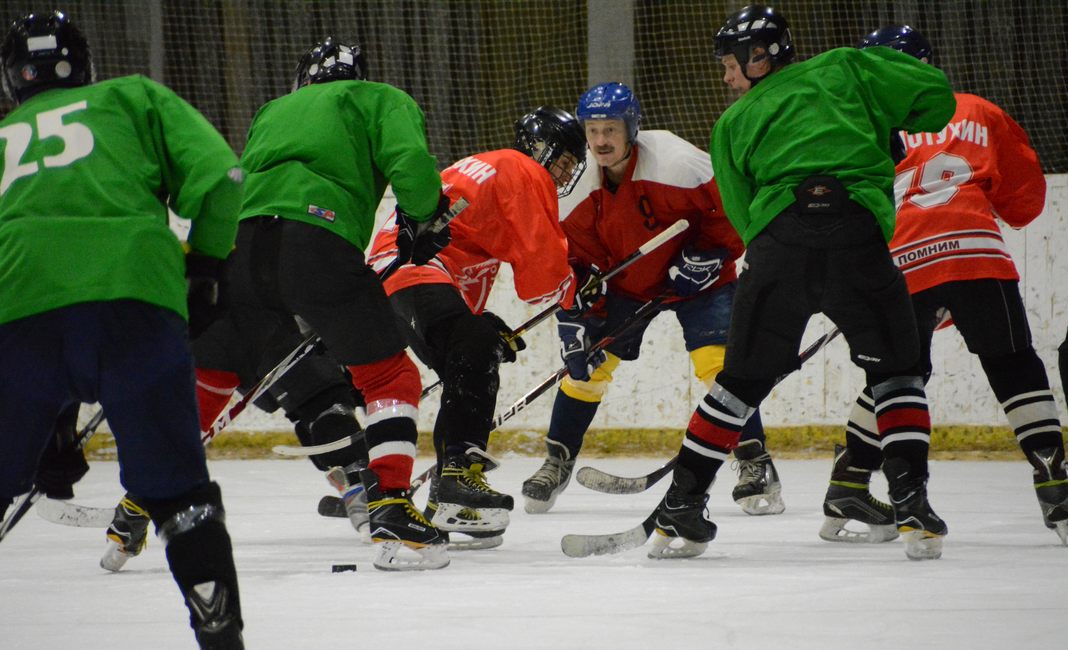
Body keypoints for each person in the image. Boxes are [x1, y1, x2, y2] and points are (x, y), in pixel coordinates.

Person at [646, 4, 956, 561]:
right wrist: (881, 122)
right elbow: (936, 97)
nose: (726, 77)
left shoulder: (732, 123)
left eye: (730, 65)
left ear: (760, 55)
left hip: (778, 247)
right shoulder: (848, 67)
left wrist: (782, 257)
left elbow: (743, 220)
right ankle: (912, 504)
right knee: (899, 375)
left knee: (738, 382)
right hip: (857, 242)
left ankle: (681, 507)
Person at [0, 10, 246, 648]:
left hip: (17, 307)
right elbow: (222, 176)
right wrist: (208, 267)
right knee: (177, 494)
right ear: (84, 66)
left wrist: (37, 407)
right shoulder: (131, 96)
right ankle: (219, 632)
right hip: (135, 300)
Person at [191, 37, 454, 571]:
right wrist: (426, 217)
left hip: (240, 250)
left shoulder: (272, 110)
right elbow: (410, 166)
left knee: (216, 368)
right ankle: (393, 509)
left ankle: (138, 503)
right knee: (389, 378)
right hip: (317, 241)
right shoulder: (377, 97)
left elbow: (242, 181)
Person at [819, 26, 1067, 546]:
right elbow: (1025, 203)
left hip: (901, 261)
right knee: (1014, 363)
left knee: (898, 378)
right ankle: (1055, 483)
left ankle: (858, 483)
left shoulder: (861, 125)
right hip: (977, 252)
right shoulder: (978, 109)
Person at [520, 82, 783, 516]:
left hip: (701, 280)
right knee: (588, 367)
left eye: (610, 129)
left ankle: (755, 461)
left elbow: (733, 211)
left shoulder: (678, 162)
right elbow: (582, 261)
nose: (601, 140)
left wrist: (710, 255)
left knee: (719, 367)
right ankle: (557, 460)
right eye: (593, 130)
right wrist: (581, 304)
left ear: (631, 129)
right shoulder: (578, 187)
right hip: (629, 284)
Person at [367, 105, 595, 548]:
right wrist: (576, 286)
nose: (564, 174)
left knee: (468, 350)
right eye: (564, 161)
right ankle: (455, 477)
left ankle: (447, 499)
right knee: (473, 343)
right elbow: (541, 275)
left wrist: (477, 334)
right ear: (541, 149)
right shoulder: (524, 169)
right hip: (415, 268)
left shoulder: (488, 168)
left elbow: (467, 252)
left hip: (395, 270)